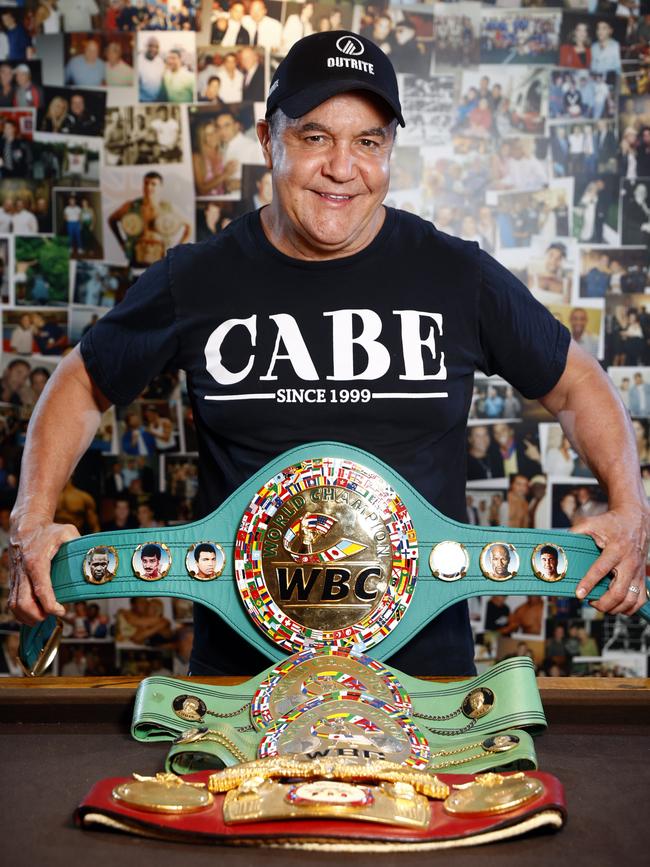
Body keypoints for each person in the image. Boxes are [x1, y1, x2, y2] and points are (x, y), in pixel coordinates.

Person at [7, 31, 649, 679]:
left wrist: (630, 508)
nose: (343, 167)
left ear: (390, 150)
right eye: (315, 137)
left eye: (368, 142)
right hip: (241, 683)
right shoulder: (196, 278)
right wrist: (31, 521)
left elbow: (575, 384)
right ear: (268, 142)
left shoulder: (457, 275)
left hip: (427, 681)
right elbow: (82, 383)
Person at [108, 171, 190, 268]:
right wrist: (121, 243)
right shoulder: (131, 206)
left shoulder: (168, 208)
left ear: (161, 187)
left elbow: (189, 226)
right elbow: (112, 219)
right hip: (136, 260)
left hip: (161, 262)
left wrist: (177, 251)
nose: (148, 187)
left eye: (153, 184)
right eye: (146, 183)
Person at [138, 36, 164, 102]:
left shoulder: (160, 61)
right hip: (143, 100)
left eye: (156, 47)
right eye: (150, 46)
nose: (154, 49)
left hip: (158, 100)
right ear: (145, 46)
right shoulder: (138, 62)